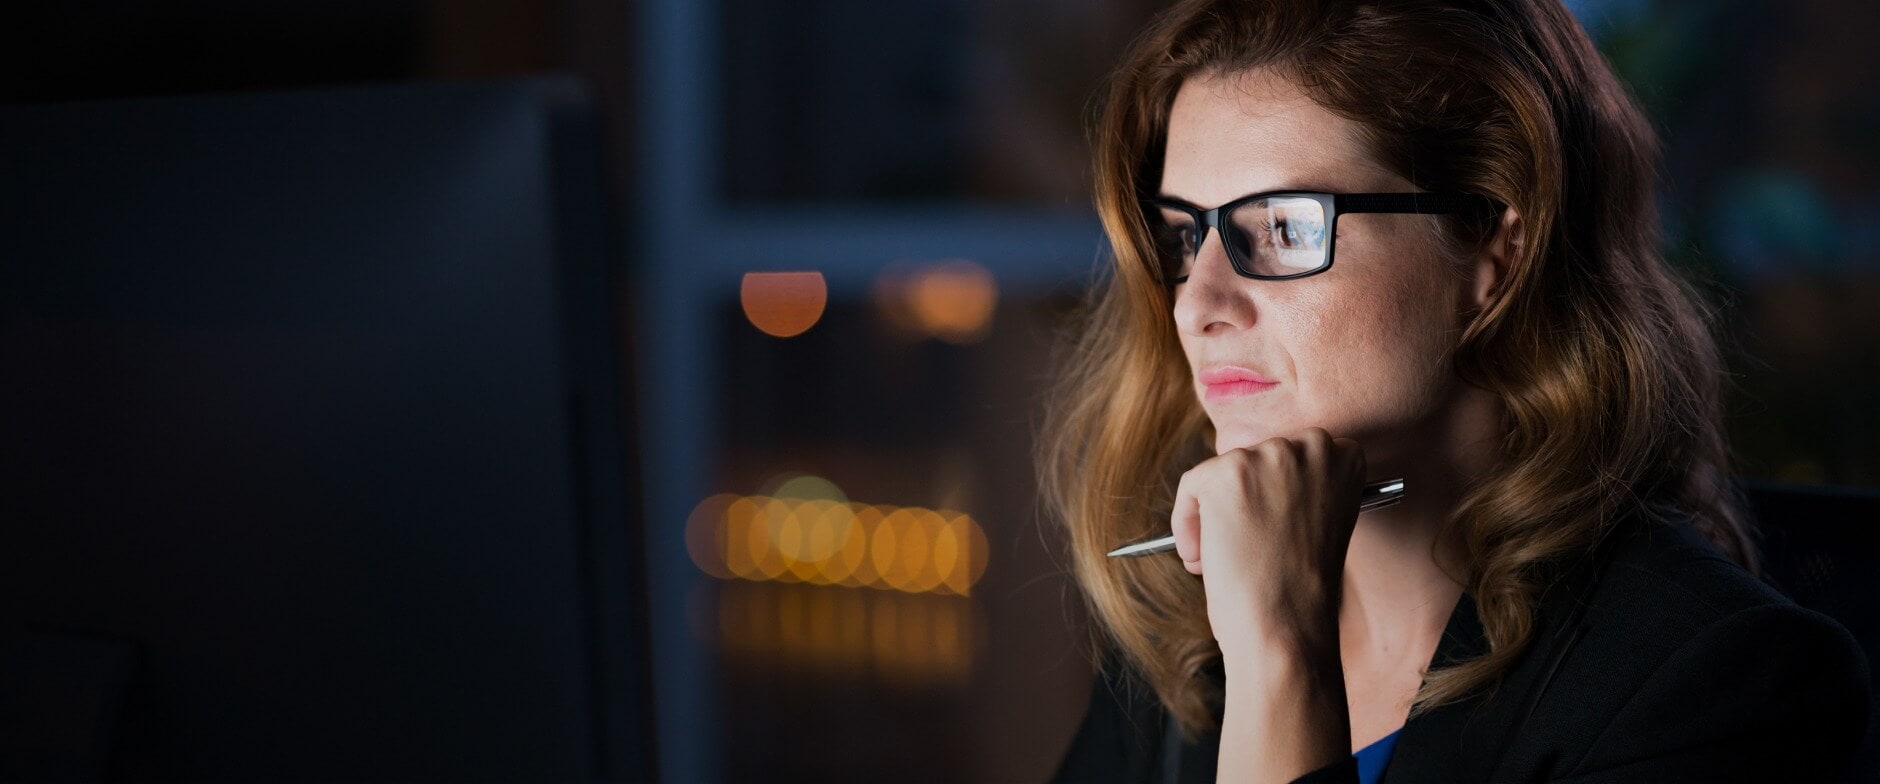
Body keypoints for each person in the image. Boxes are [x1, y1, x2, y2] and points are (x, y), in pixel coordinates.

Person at [1037, 0, 1872, 781]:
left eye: (1285, 227)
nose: (1198, 303)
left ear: (1495, 255)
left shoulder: (1720, 683)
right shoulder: (1189, 645)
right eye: (1186, 234)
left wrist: (1280, 658)